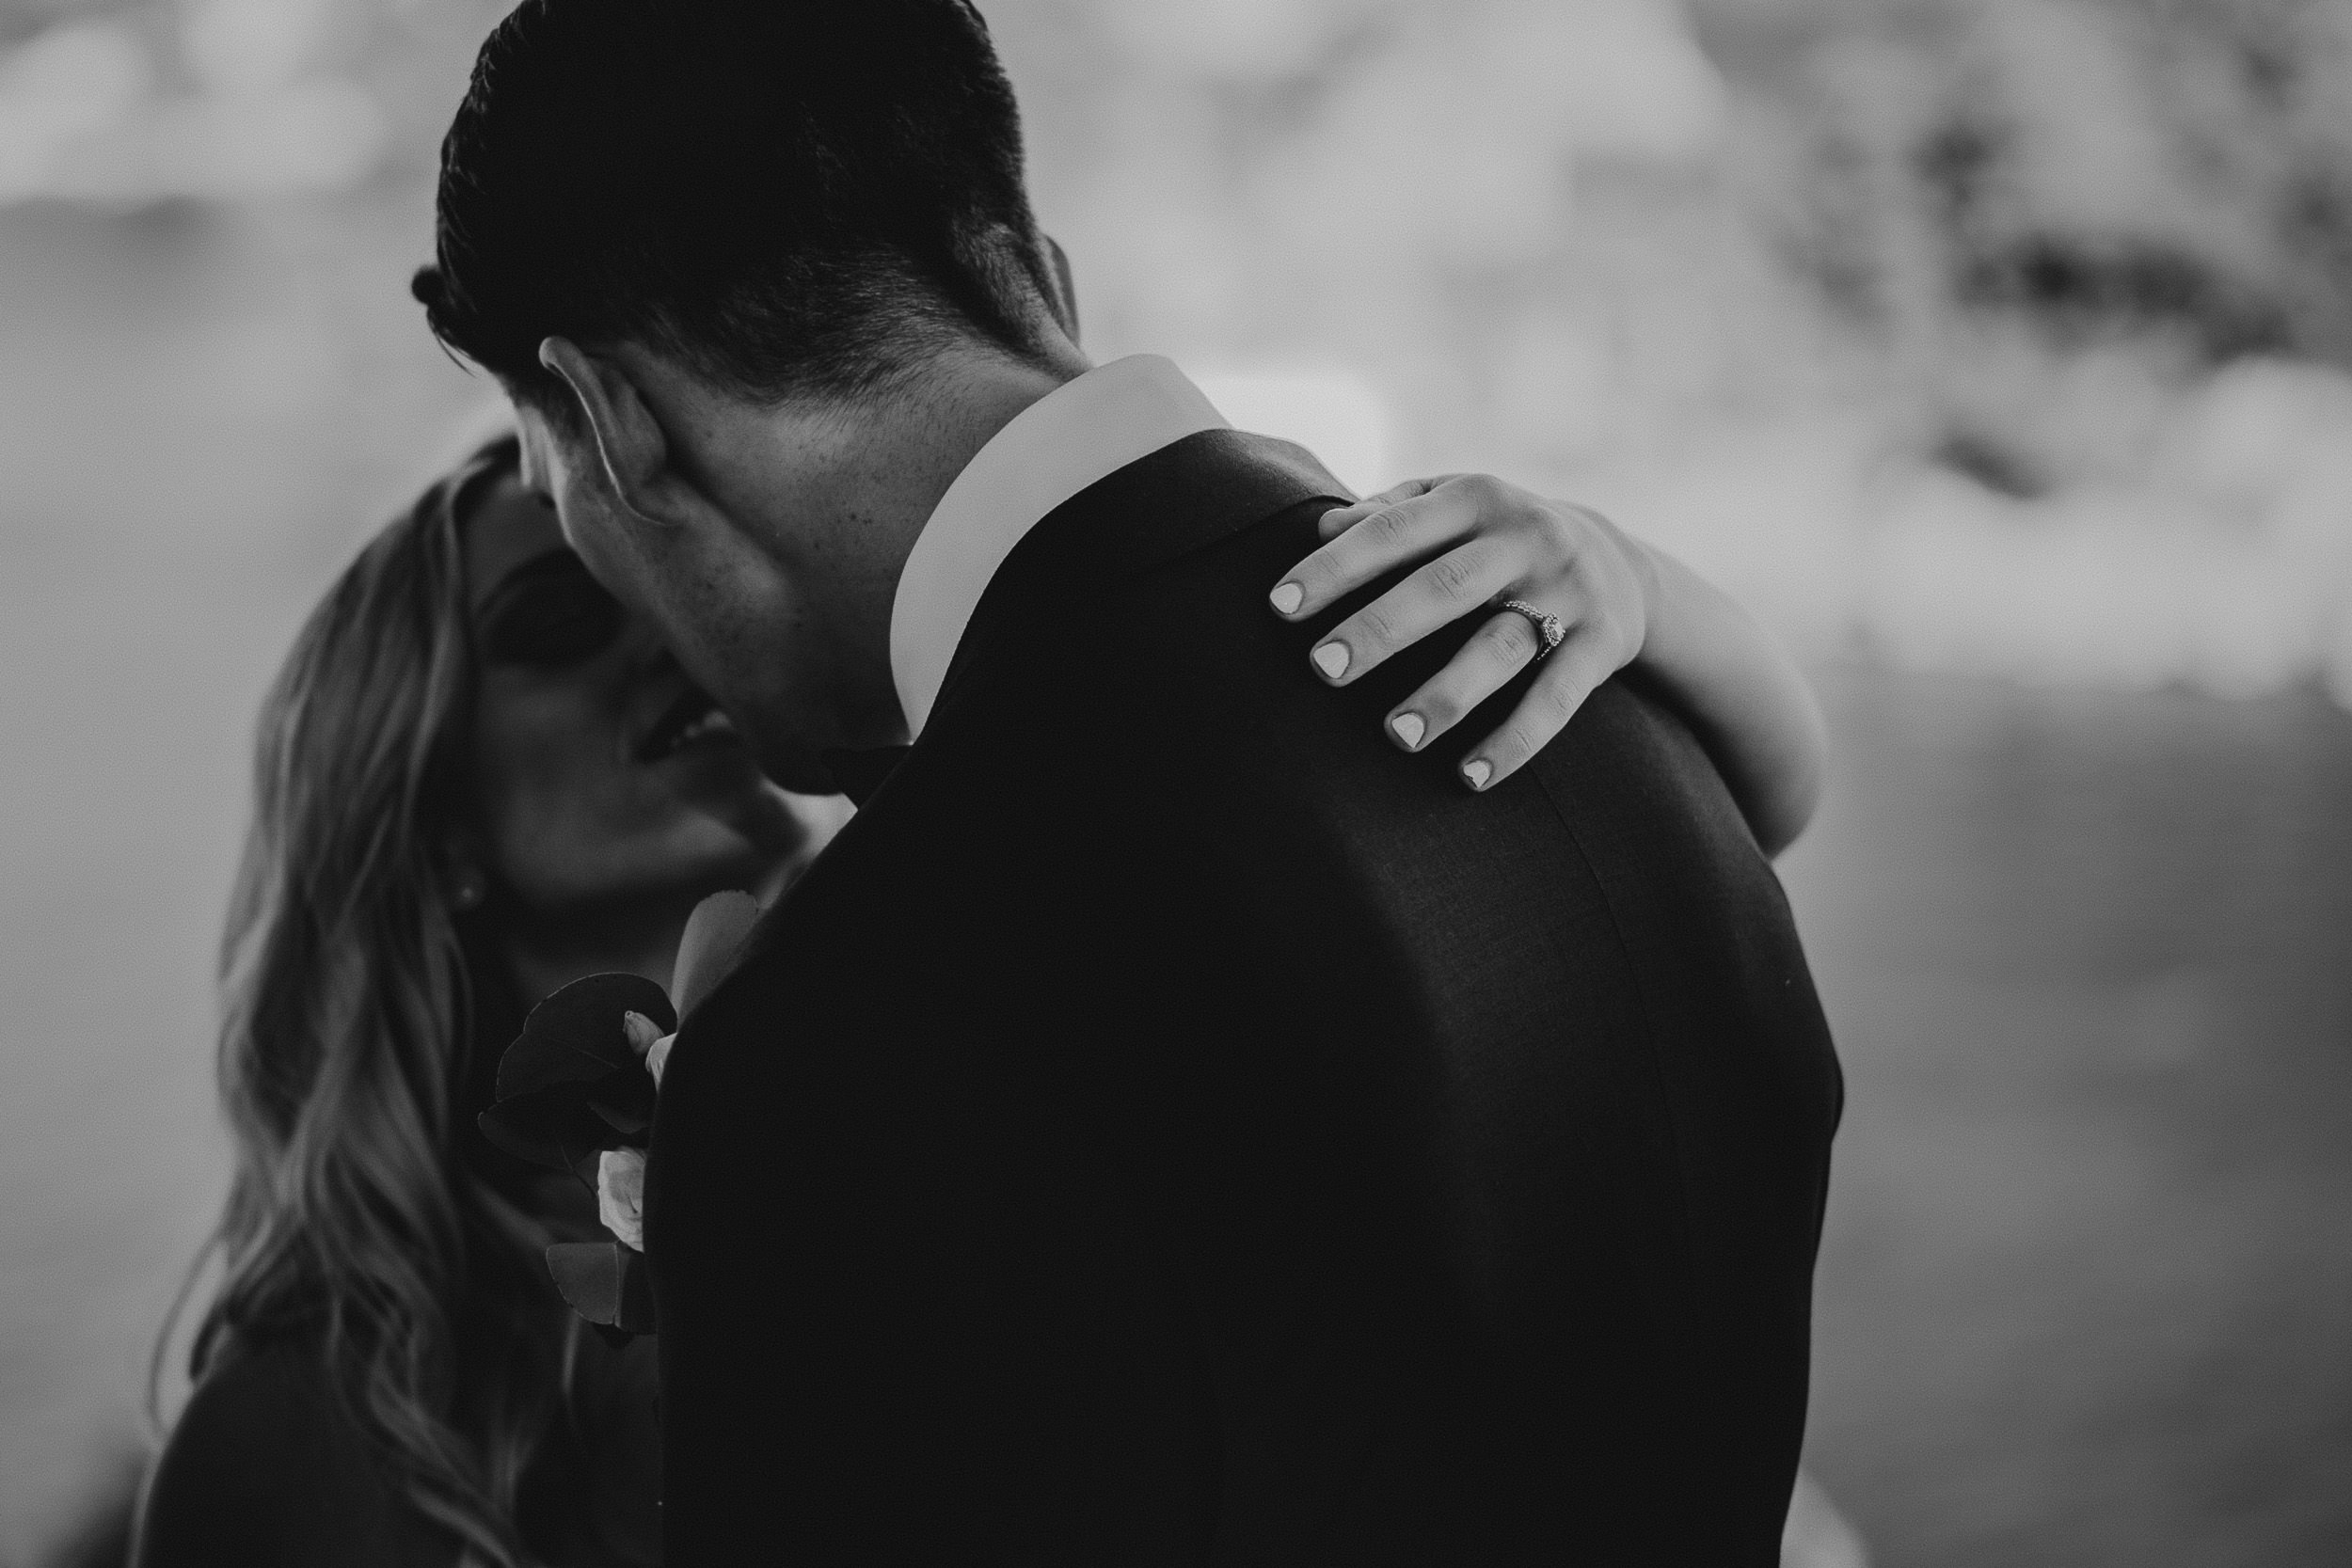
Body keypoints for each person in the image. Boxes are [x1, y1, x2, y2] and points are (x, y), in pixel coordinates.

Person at [415, 2, 1842, 1563]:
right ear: (1035, 273)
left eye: (560, 499)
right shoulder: (1619, 719)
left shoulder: (855, 1035)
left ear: (613, 425)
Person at [130, 416, 1827, 1565]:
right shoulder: (303, 1431)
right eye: (564, 622)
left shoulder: (999, 1010)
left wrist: (1627, 586)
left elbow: (1705, 858)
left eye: (659, 585)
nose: (662, 642)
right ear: (422, 815)